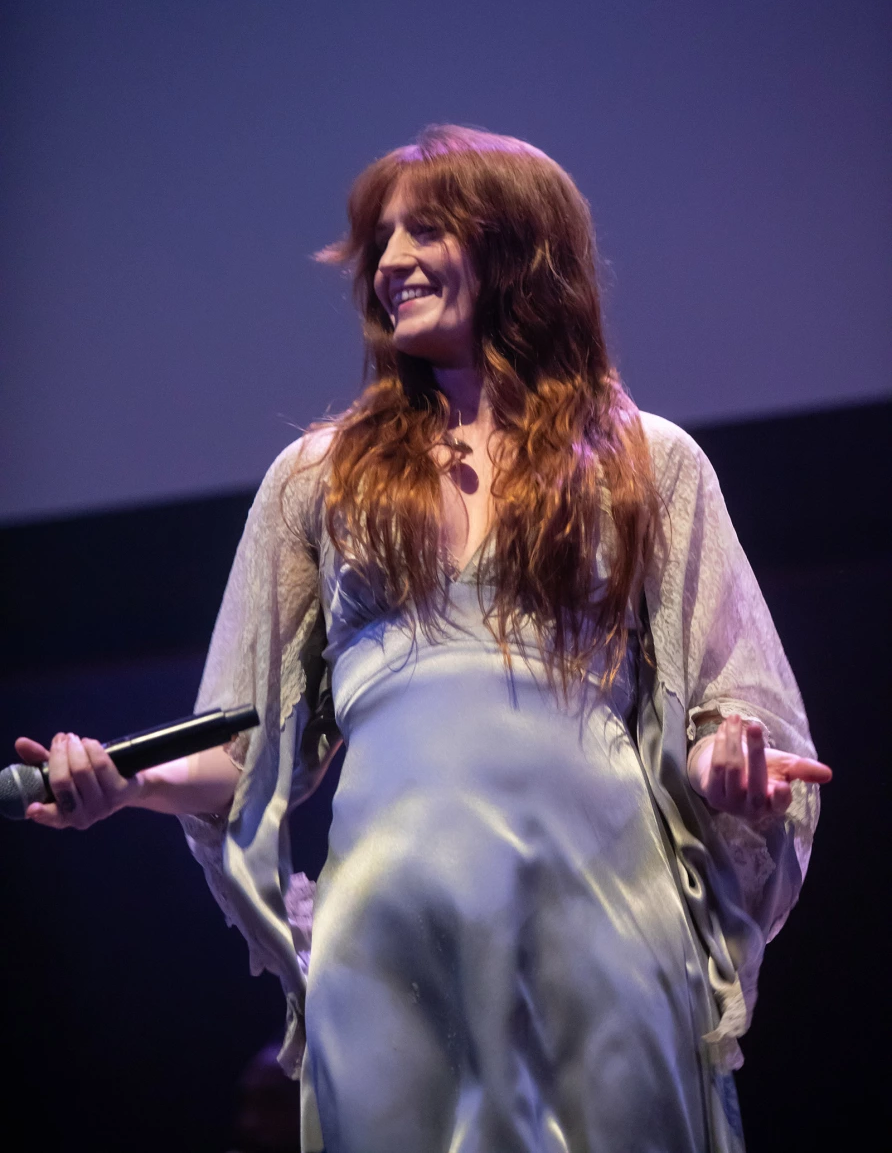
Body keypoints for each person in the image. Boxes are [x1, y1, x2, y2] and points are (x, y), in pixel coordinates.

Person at [17, 126, 832, 1153]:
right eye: (381, 239)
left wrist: (727, 763)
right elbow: (244, 749)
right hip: (395, 940)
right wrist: (125, 782)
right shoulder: (318, 478)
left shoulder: (646, 463)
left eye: (426, 229)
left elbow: (732, 701)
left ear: (519, 249)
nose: (389, 261)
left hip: (603, 922)